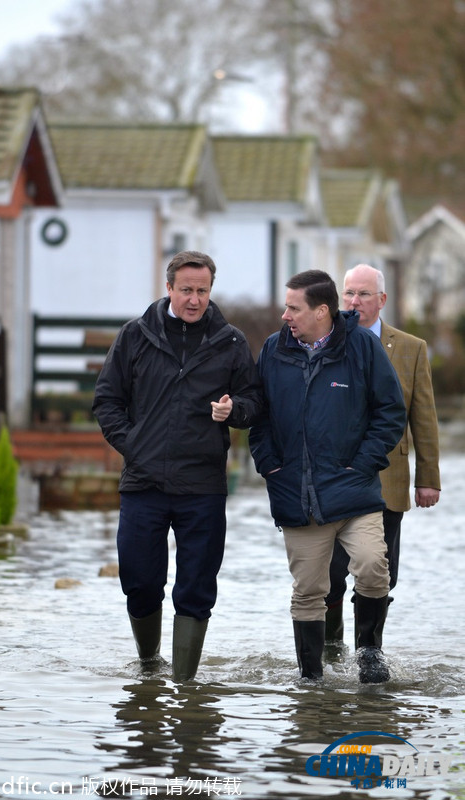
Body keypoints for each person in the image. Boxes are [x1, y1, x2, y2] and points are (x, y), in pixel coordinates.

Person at [92, 250, 262, 681]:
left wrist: (234, 410)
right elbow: (107, 400)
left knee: (196, 588)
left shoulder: (232, 342)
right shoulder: (135, 335)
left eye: (202, 290)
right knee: (140, 580)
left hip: (202, 486)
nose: (194, 299)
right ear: (168, 288)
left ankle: (185, 685)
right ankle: (149, 666)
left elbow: (255, 402)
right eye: (186, 290)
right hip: (143, 483)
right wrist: (133, 445)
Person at [249, 270, 406, 683]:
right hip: (295, 493)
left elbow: (391, 412)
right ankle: (311, 677)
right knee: (308, 590)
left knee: (374, 565)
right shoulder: (273, 350)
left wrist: (364, 462)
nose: (285, 315)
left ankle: (370, 652)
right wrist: (269, 465)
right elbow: (259, 416)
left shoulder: (363, 349)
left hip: (354, 488)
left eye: (293, 307)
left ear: (321, 311)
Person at [325, 263, 441, 642]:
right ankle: (330, 645)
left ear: (382, 300)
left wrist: (428, 480)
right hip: (334, 478)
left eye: (363, 294)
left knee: (380, 571)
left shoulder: (410, 348)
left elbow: (423, 418)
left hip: (389, 479)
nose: (354, 302)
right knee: (329, 573)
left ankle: (369, 651)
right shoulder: (325, 340)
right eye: (349, 293)